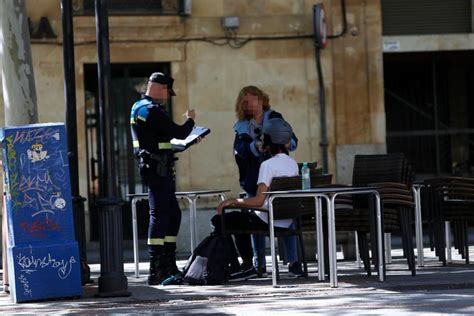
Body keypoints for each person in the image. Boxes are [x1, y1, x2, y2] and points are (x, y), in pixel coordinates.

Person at [212, 118, 304, 281]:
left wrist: (232, 201)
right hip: (287, 221)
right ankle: (244, 266)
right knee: (238, 219)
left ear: (267, 141)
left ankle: (242, 266)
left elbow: (258, 202)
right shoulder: (293, 164)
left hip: (268, 219)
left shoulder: (267, 165)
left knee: (220, 220)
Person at [130, 72, 197, 285]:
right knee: (159, 215)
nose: (168, 95)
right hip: (157, 169)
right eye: (168, 90)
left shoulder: (138, 107)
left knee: (172, 214)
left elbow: (161, 139)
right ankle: (156, 267)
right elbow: (178, 131)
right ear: (159, 87)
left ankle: (168, 263)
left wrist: (185, 143)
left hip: (159, 167)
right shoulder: (151, 111)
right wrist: (191, 121)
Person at [232, 86, 299, 276]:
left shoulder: (275, 117)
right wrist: (255, 146)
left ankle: (294, 262)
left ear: (262, 100)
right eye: (246, 102)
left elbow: (292, 140)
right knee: (255, 219)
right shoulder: (241, 126)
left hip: (279, 176)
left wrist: (284, 142)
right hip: (254, 178)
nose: (251, 104)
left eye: (254, 99)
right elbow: (240, 151)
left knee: (287, 214)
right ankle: (258, 264)